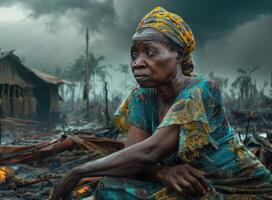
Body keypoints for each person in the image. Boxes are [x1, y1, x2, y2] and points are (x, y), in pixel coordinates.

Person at [50, 6, 272, 200]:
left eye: (150, 52)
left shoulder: (203, 90)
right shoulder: (142, 97)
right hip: (191, 188)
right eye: (134, 55)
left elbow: (149, 154)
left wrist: (76, 172)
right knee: (110, 187)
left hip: (237, 190)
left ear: (178, 54)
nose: (137, 63)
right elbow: (133, 159)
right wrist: (162, 173)